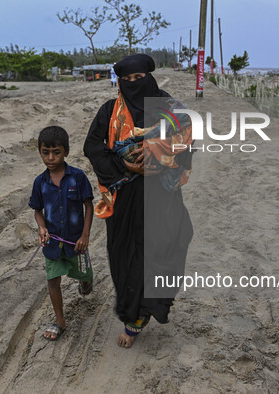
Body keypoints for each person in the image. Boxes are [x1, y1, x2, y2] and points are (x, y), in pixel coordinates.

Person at [84, 54, 193, 348]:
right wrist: (127, 166)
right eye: (127, 80)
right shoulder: (109, 111)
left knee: (167, 245)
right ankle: (134, 313)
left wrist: (158, 154)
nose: (134, 84)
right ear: (119, 82)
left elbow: (189, 141)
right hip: (125, 197)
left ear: (150, 76)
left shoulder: (172, 109)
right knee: (126, 255)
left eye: (139, 78)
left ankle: (147, 308)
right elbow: (92, 146)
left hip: (162, 195)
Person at [29, 126, 94, 341]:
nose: (50, 157)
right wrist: (41, 227)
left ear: (66, 151)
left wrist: (85, 235)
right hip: (52, 243)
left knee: (85, 277)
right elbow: (37, 210)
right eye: (45, 152)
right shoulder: (40, 182)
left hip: (76, 243)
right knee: (53, 280)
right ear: (39, 151)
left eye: (56, 152)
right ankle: (60, 320)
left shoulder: (77, 177)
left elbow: (89, 206)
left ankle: (85, 283)